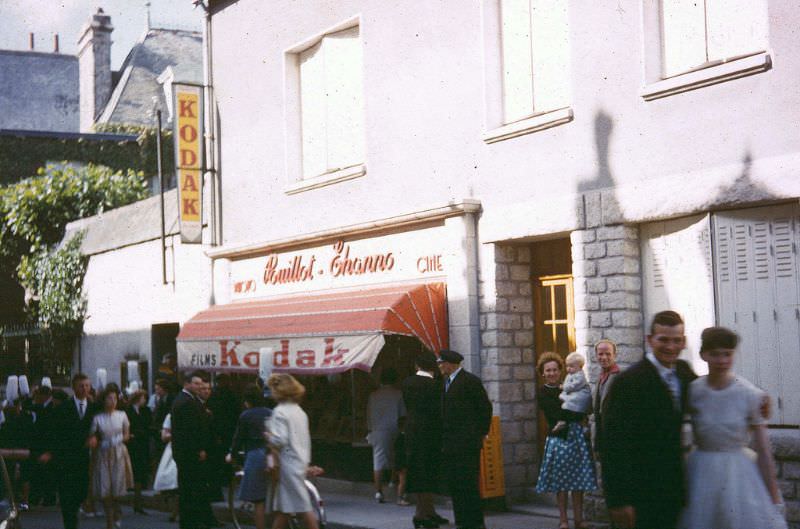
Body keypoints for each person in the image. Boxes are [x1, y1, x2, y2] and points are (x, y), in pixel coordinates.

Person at [678, 327, 786, 529]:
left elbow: (763, 449)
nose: (721, 360)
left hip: (739, 474)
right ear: (703, 355)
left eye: (727, 354)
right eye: (715, 354)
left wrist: (773, 496)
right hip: (700, 472)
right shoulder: (694, 391)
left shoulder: (749, 394)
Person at [602, 310, 697, 529]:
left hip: (673, 487)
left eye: (677, 341)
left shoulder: (683, 372)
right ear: (650, 340)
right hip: (640, 493)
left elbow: (712, 390)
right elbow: (613, 445)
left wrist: (754, 396)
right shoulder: (628, 382)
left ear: (683, 342)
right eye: (663, 340)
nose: (670, 347)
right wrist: (618, 500)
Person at [534, 352, 597, 529]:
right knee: (561, 482)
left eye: (555, 369)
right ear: (543, 373)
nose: (552, 373)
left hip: (576, 437)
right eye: (548, 370)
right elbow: (556, 414)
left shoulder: (569, 387)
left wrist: (576, 410)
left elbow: (585, 408)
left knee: (578, 480)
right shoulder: (543, 392)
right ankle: (563, 519)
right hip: (559, 439)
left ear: (560, 371)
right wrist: (574, 411)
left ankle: (579, 519)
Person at [438, 349, 492, 529]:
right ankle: (462, 521)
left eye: (442, 363)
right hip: (452, 442)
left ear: (450, 364)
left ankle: (474, 522)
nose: (440, 366)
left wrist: (481, 433)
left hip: (466, 442)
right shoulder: (447, 382)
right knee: (456, 484)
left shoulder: (469, 381)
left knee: (468, 483)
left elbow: (484, 408)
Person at [39, 372, 99, 529]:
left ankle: (76, 509)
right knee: (67, 497)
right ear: (74, 388)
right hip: (66, 457)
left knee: (81, 491)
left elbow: (99, 427)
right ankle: (70, 524)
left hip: (84, 458)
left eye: (87, 385)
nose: (85, 389)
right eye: (81, 386)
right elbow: (54, 432)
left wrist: (95, 437)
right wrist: (50, 452)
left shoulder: (93, 408)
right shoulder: (64, 408)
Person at [266, 373, 319, 529]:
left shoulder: (280, 411)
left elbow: (280, 439)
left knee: (302, 507)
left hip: (288, 464)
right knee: (285, 508)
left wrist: (268, 435)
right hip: (300, 460)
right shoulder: (299, 411)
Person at [402, 351, 448, 529]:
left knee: (418, 471)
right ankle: (422, 513)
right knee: (429, 472)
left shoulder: (407, 383)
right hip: (431, 433)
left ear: (417, 366)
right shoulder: (436, 386)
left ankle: (427, 511)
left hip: (413, 432)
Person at [171, 371, 214, 529]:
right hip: (189, 454)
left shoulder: (187, 400)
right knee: (189, 488)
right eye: (195, 384)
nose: (198, 387)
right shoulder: (186, 402)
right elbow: (190, 431)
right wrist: (199, 449)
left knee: (190, 488)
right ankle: (190, 522)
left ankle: (192, 520)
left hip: (185, 453)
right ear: (187, 384)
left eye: (200, 384)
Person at [226, 384, 271, 529]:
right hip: (273, 454)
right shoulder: (271, 412)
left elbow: (238, 439)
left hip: (255, 455)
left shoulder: (246, 415)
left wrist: (232, 454)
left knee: (258, 500)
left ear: (247, 401)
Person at [89, 387, 133, 529]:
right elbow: (93, 435)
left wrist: (118, 439)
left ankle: (117, 512)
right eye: (109, 398)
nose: (113, 401)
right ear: (103, 400)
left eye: (115, 398)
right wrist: (97, 441)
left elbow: (127, 434)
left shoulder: (122, 415)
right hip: (103, 452)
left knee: (117, 486)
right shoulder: (98, 417)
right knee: (105, 487)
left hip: (118, 453)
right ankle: (109, 521)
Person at [366, 368, 406, 503]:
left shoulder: (373, 395)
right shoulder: (398, 394)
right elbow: (402, 415)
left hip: (377, 430)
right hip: (393, 429)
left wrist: (370, 429)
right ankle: (393, 482)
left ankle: (378, 491)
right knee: (396, 457)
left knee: (378, 460)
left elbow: (369, 415)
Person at [551, 352, 592, 437]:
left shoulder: (580, 375)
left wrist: (564, 387)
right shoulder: (570, 375)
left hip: (580, 397)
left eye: (571, 366)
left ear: (580, 367)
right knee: (567, 407)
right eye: (567, 366)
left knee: (571, 407)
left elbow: (575, 385)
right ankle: (563, 421)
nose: (568, 368)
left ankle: (581, 424)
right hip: (574, 395)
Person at [592, 339, 619, 460]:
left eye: (608, 354)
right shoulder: (601, 378)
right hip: (604, 439)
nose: (604, 357)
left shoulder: (620, 378)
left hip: (617, 439)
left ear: (615, 355)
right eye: (600, 354)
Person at [125, 390, 152, 514]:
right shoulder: (128, 411)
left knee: (140, 473)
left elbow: (148, 425)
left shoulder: (145, 411)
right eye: (143, 398)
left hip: (142, 444)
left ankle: (138, 502)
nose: (144, 401)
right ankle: (136, 501)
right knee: (134, 472)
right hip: (132, 445)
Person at [152, 413, 179, 523]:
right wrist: (176, 434)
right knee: (173, 480)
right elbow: (164, 436)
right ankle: (175, 511)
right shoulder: (170, 416)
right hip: (173, 450)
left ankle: (177, 511)